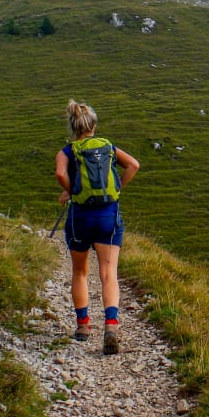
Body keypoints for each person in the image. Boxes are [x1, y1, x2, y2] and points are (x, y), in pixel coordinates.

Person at [54, 99, 140, 354]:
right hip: (107, 215)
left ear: (74, 126)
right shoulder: (108, 147)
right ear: (93, 125)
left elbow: (60, 174)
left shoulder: (67, 151)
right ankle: (111, 327)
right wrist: (119, 187)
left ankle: (82, 326)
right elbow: (134, 165)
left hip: (80, 216)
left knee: (80, 271)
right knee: (108, 271)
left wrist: (71, 192)